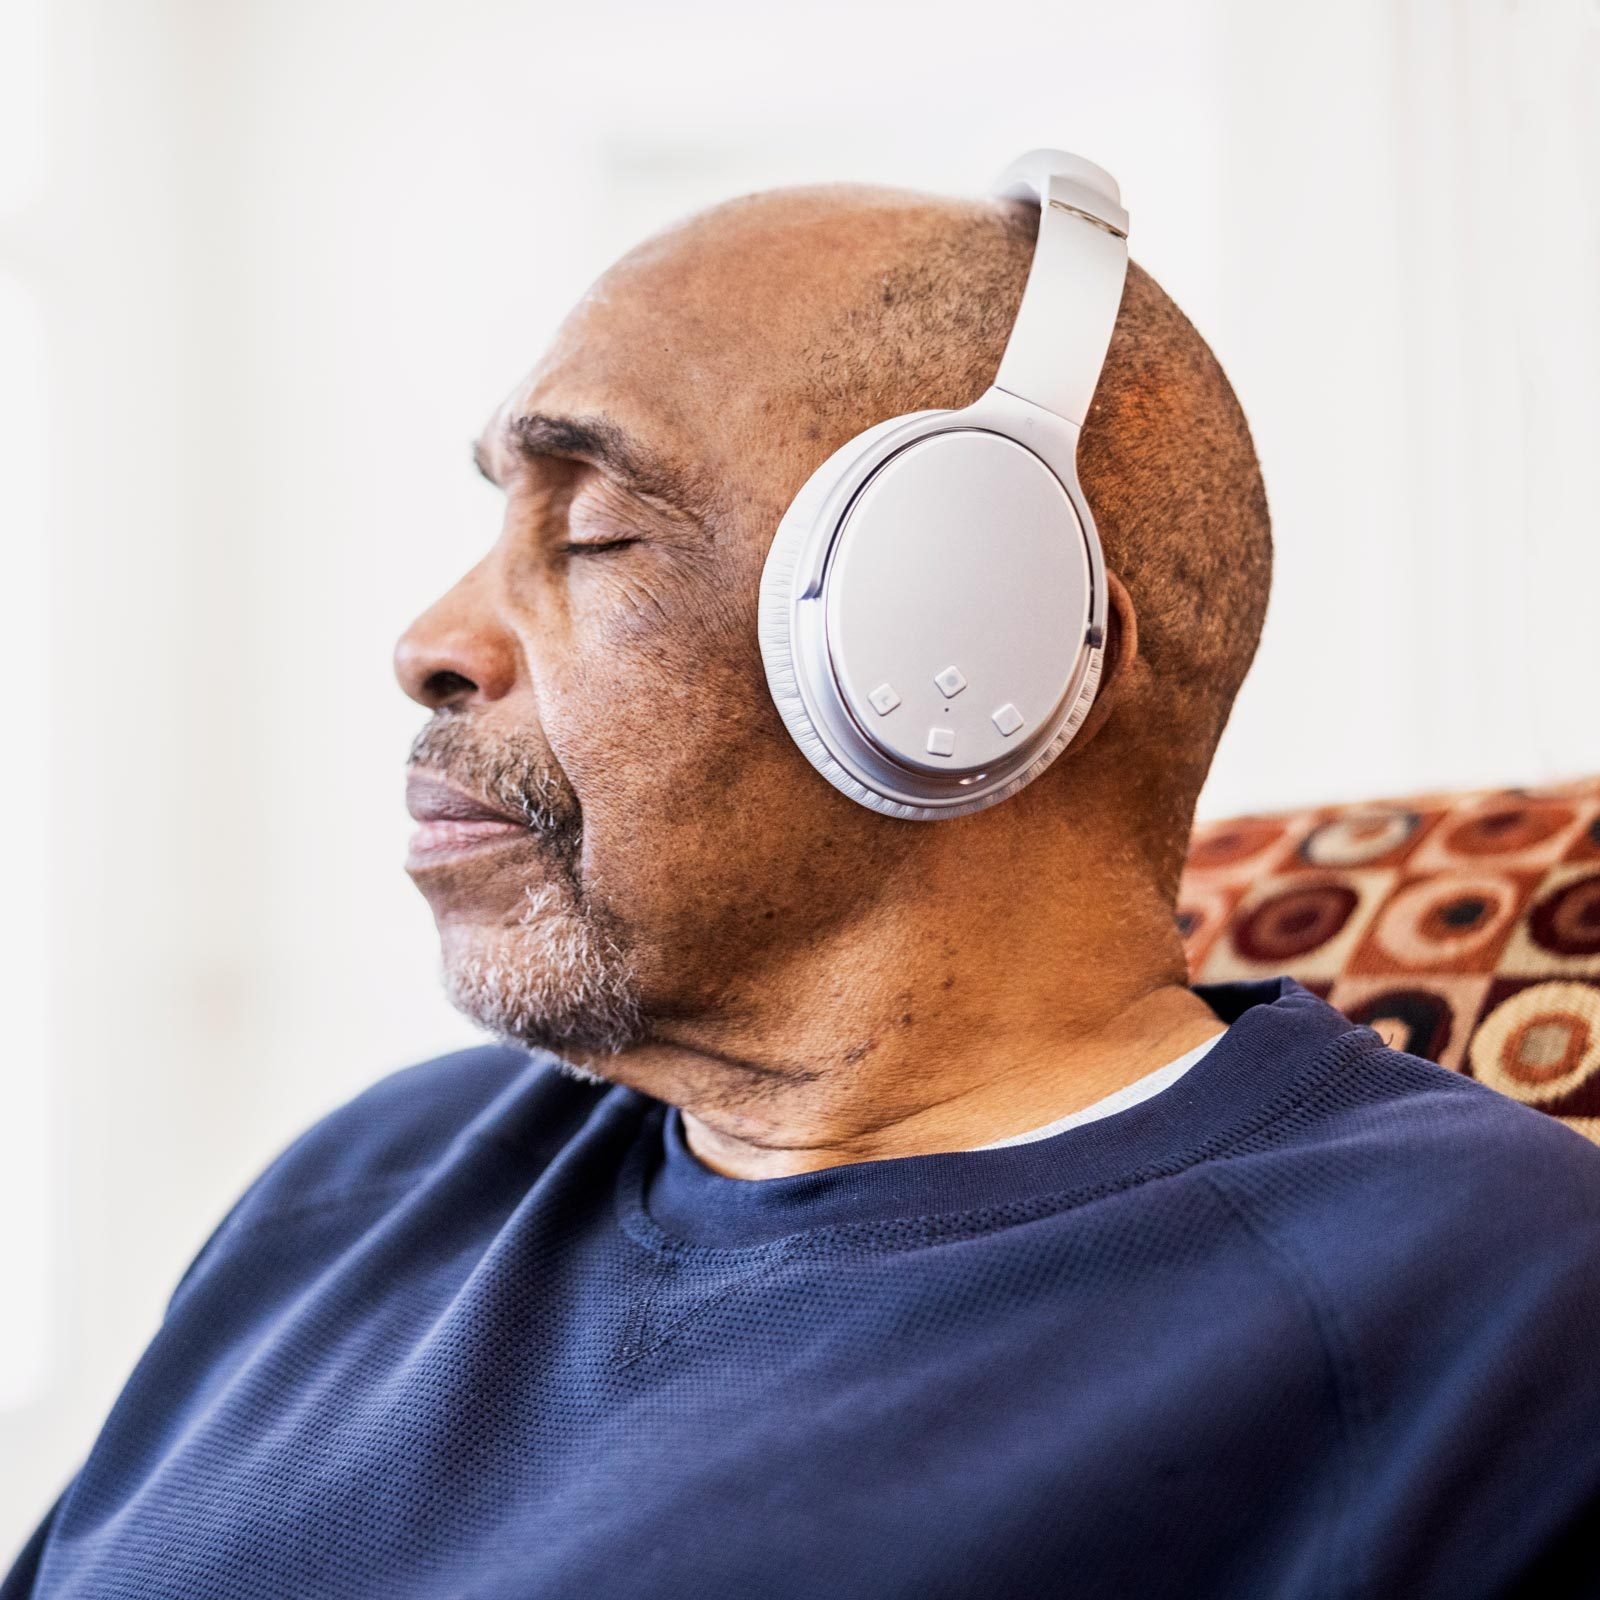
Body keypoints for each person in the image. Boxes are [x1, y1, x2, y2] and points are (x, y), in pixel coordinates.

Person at [6, 157, 1598, 1600]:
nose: (431, 645)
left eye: (599, 533)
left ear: (985, 643)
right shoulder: (370, 1180)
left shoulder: (1492, 1305)